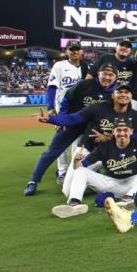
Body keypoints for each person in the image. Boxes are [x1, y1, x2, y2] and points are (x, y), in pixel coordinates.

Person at [25, 62, 117, 196]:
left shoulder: (115, 93)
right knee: (53, 151)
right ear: (98, 74)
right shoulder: (84, 85)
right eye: (105, 74)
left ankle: (91, 179)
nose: (107, 77)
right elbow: (67, 99)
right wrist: (61, 119)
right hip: (72, 122)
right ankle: (33, 181)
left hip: (94, 127)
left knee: (96, 152)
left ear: (115, 77)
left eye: (111, 75)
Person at [51, 119, 137, 218]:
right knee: (80, 171)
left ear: (131, 131)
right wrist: (75, 162)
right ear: (113, 132)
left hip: (132, 184)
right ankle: (75, 204)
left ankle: (128, 198)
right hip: (112, 184)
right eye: (119, 130)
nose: (122, 133)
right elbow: (79, 167)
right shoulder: (105, 146)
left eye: (125, 130)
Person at [45, 42, 87, 184]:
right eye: (72, 50)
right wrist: (50, 108)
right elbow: (52, 87)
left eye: (77, 49)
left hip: (81, 110)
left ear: (81, 51)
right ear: (67, 52)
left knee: (78, 143)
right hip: (63, 110)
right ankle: (62, 171)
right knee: (62, 142)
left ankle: (73, 171)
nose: (75, 52)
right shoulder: (59, 66)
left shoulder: (86, 67)